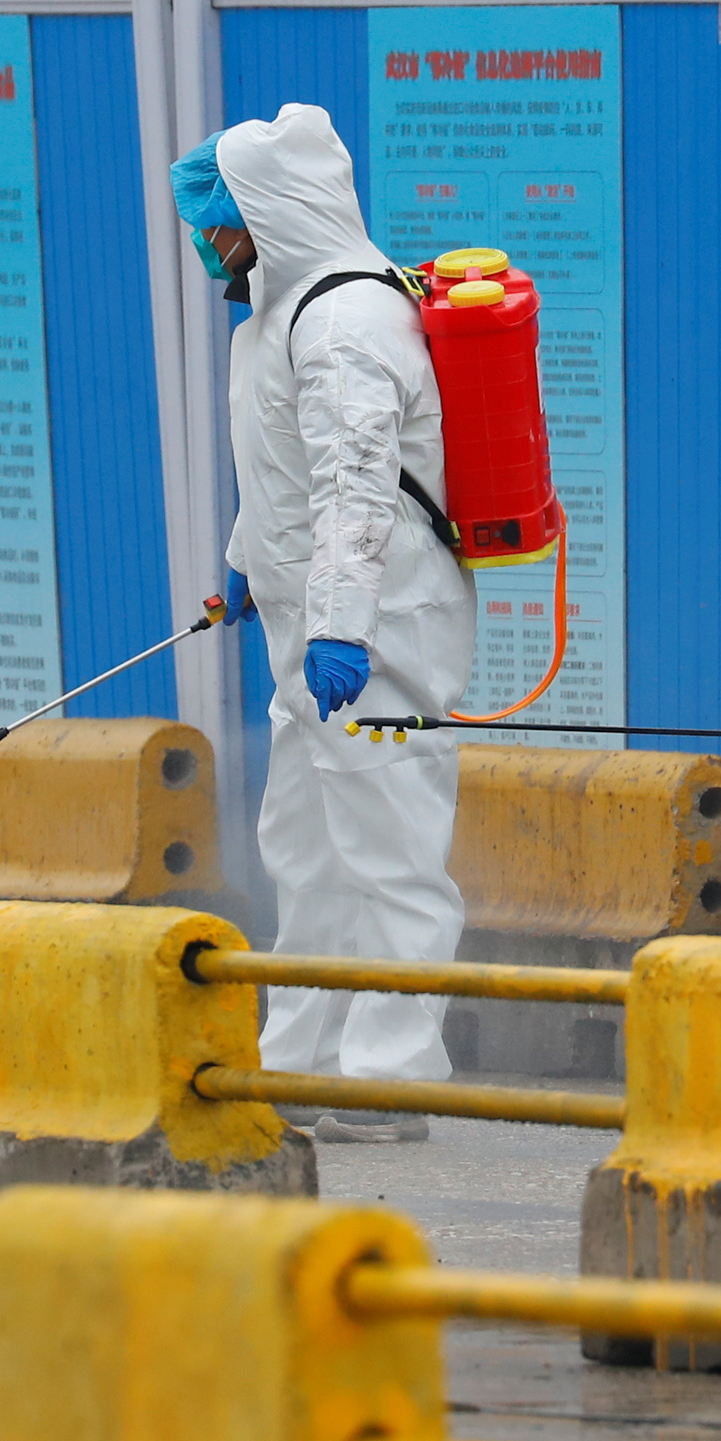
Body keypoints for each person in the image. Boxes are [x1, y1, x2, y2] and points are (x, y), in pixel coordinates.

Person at [174, 103, 477, 1141]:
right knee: (307, 847)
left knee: (392, 852)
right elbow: (283, 469)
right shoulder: (280, 312)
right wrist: (245, 562)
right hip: (316, 629)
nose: (211, 233)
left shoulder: (346, 321)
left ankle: (390, 1081)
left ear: (276, 208)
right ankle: (299, 1060)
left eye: (224, 212)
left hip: (380, 627)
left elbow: (358, 486)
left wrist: (342, 624)